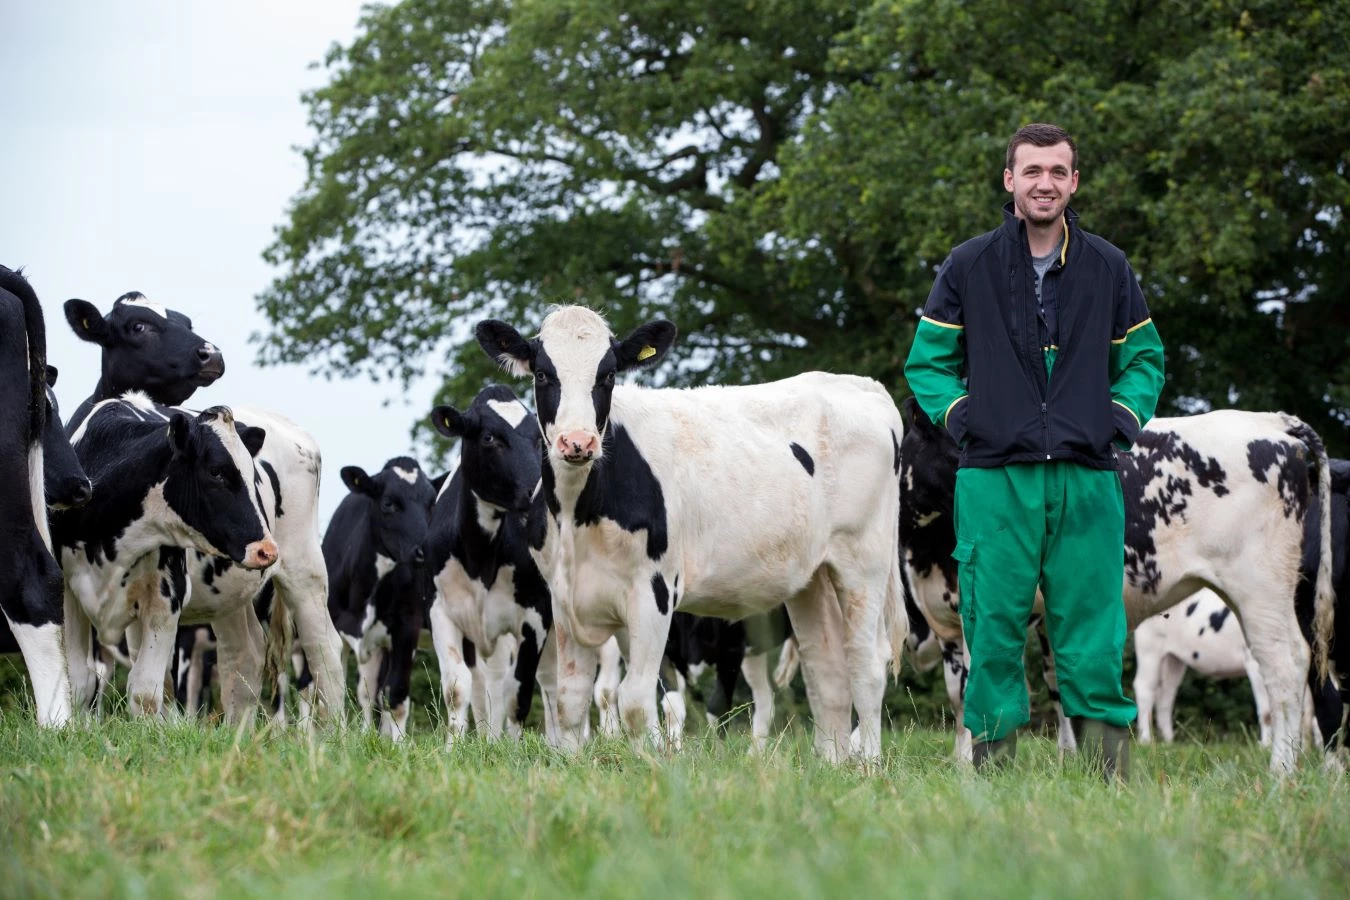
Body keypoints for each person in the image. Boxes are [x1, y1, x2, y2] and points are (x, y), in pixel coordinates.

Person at [903, 123, 1165, 780]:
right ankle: (993, 783)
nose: (1043, 183)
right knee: (991, 632)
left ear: (1073, 183)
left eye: (1056, 172)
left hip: (1086, 478)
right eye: (1031, 171)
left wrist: (1116, 421)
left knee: (1095, 637)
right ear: (1010, 180)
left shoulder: (1108, 265)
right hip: (994, 480)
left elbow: (1145, 359)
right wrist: (968, 420)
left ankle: (1111, 781)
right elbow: (928, 363)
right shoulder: (968, 265)